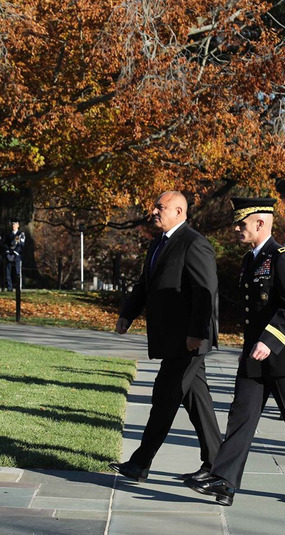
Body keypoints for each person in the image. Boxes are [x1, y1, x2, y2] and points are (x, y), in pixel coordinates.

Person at [184, 197, 285, 507]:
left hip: (282, 356)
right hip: (254, 356)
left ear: (261, 223)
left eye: (242, 224)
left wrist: (269, 340)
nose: (237, 228)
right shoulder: (250, 259)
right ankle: (224, 481)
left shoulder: (283, 258)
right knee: (241, 416)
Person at [110, 191, 223, 484]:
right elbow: (145, 284)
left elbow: (204, 293)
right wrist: (127, 313)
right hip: (173, 339)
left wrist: (197, 334)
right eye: (155, 206)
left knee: (164, 397)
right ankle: (217, 465)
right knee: (198, 401)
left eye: (160, 207)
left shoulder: (194, 244)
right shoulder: (159, 243)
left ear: (179, 211)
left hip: (188, 341)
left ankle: (140, 463)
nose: (154, 211)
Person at [4, 220, 26, 291]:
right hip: (9, 254)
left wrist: (15, 252)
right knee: (8, 272)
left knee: (17, 272)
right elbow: (6, 244)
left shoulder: (20, 234)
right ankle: (9, 287)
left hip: (17, 255)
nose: (13, 226)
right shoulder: (8, 234)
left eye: (15, 224)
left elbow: (21, 245)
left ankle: (18, 287)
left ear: (18, 225)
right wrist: (8, 252)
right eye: (13, 224)